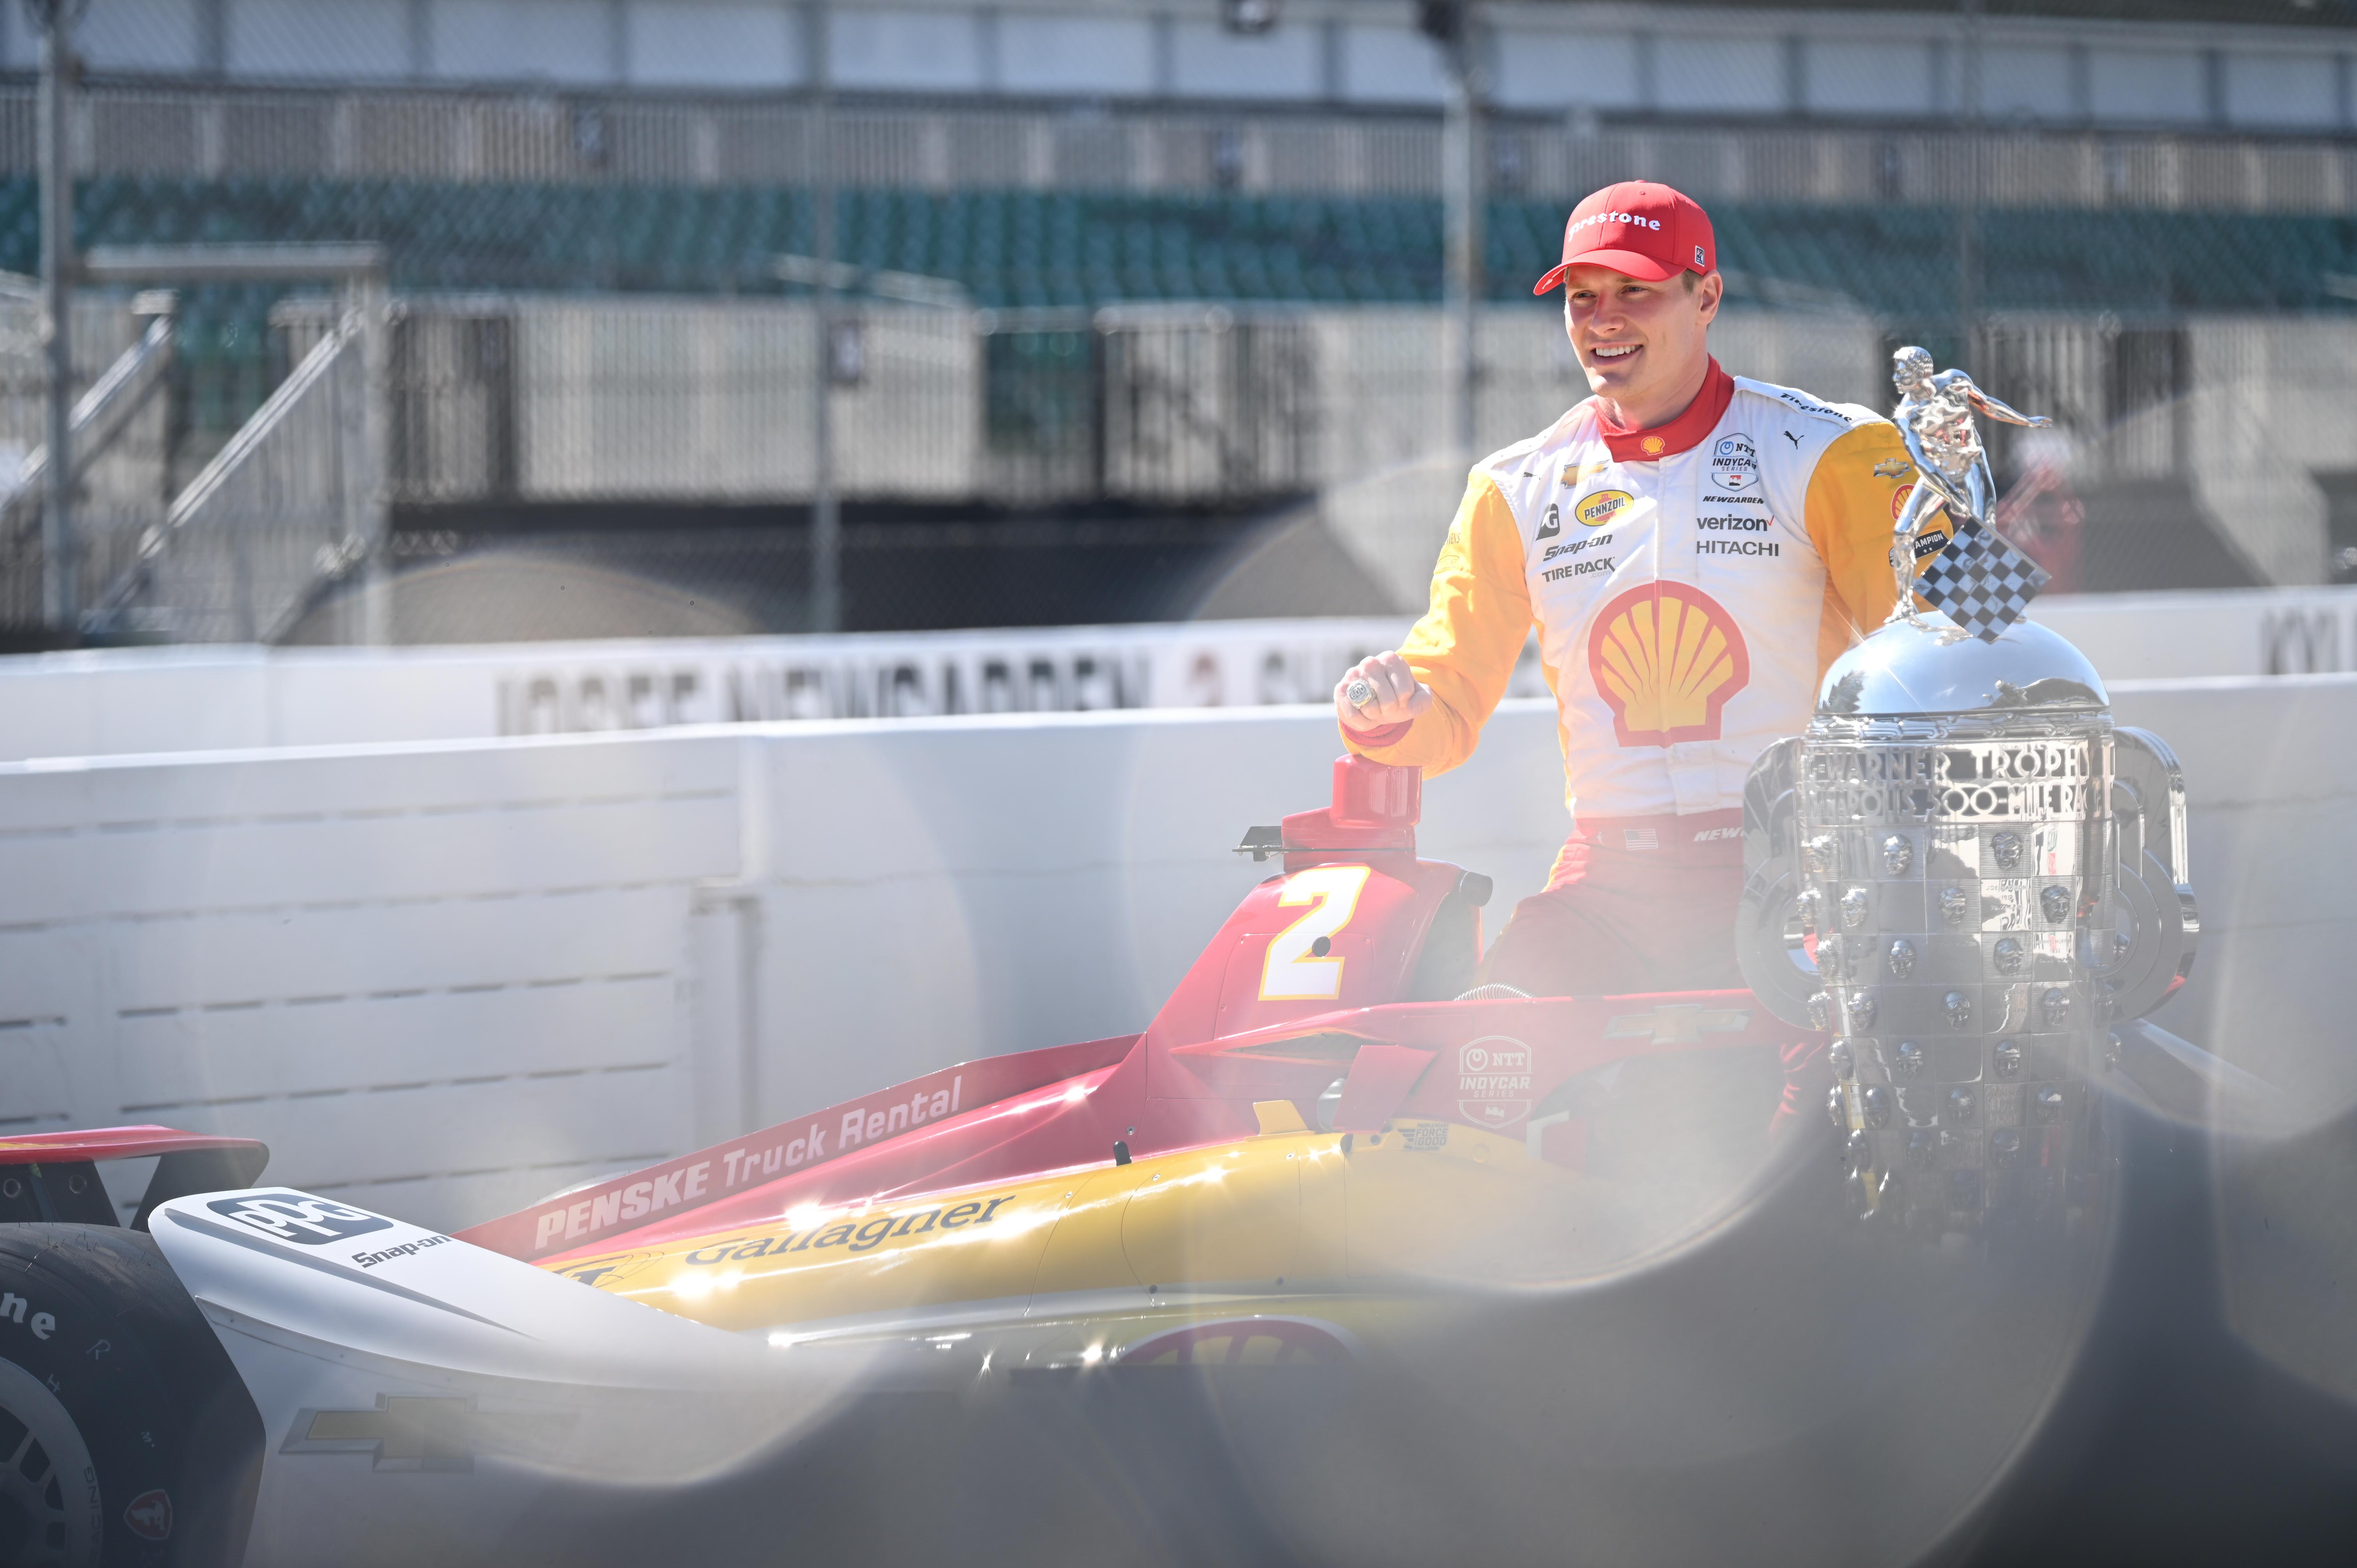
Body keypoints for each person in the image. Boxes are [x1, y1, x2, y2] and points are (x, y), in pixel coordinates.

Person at [1335, 180, 1951, 1000]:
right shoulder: (1513, 486)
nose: (1605, 319)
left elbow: (1970, 649)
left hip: (1800, 867)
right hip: (1607, 882)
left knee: (1808, 1119)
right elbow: (1445, 702)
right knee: (1484, 1059)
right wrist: (1388, 711)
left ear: (1707, 297)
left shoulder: (1836, 446)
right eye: (1583, 297)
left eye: (1637, 291)